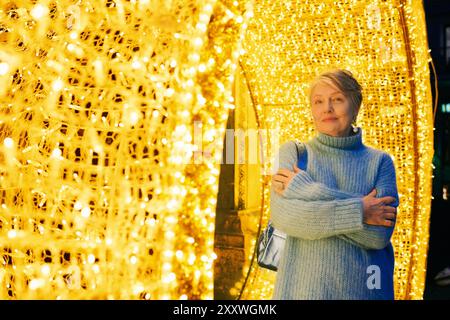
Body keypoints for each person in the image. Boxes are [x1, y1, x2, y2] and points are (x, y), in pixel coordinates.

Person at [270, 69, 399, 300]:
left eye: (337, 99)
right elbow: (286, 218)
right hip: (303, 293)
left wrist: (306, 189)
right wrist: (361, 210)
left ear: (356, 106)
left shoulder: (381, 162)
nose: (326, 108)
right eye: (318, 101)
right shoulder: (295, 154)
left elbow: (378, 236)